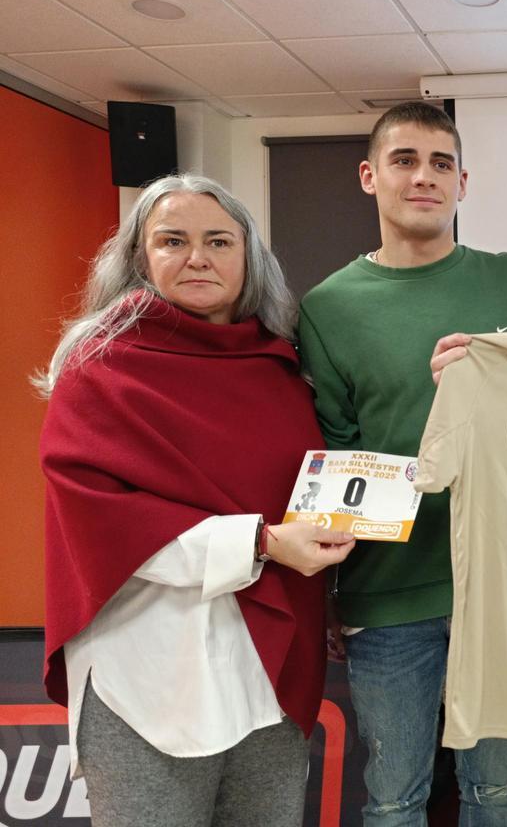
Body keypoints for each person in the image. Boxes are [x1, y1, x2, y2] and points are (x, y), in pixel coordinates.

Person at [37, 174, 355, 827]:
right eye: (173, 241)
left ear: (248, 257)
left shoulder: (281, 371)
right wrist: (262, 543)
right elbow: (106, 524)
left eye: (218, 241)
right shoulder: (98, 368)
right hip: (146, 679)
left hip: (267, 675)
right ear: (139, 256)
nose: (198, 258)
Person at [298, 101, 507, 826]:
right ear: (369, 176)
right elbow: (334, 452)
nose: (424, 177)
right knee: (393, 800)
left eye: (441, 163)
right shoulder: (327, 308)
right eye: (405, 161)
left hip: (500, 587)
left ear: (462, 183)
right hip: (387, 593)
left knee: (495, 792)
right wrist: (329, 592)